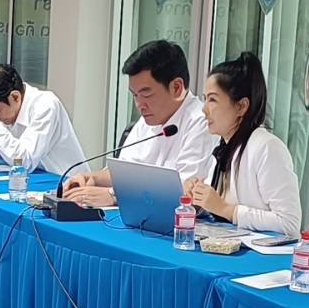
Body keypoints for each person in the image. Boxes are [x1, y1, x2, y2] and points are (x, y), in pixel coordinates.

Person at [61, 40, 216, 207]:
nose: (139, 104)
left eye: (146, 94)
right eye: (135, 95)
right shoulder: (148, 119)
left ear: (176, 87)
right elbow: (126, 173)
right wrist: (91, 178)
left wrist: (113, 196)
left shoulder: (202, 123)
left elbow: (183, 193)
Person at [182, 53, 301, 236]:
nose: (204, 110)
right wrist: (198, 200)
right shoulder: (224, 146)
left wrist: (227, 210)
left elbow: (289, 223)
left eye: (212, 100)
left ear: (241, 106)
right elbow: (219, 210)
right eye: (205, 99)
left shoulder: (267, 147)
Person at [0, 63, 87, 175]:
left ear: (15, 97)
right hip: (32, 183)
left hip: (67, 186)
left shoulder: (46, 105)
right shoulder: (4, 110)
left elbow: (24, 162)